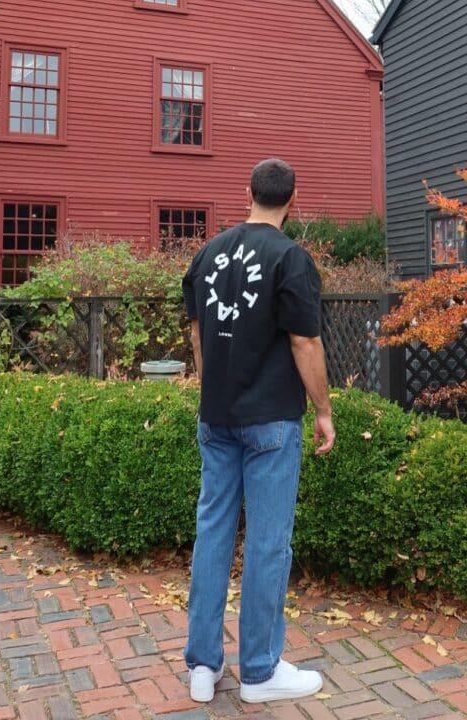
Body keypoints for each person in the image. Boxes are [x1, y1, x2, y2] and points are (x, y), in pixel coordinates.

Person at [182, 158, 335, 705]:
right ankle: (260, 672)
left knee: (213, 534)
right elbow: (304, 343)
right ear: (293, 201)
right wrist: (323, 409)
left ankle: (203, 667)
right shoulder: (291, 259)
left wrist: (210, 388)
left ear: (247, 193)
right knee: (268, 544)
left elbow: (199, 333)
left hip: (216, 416)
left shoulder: (207, 254)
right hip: (270, 420)